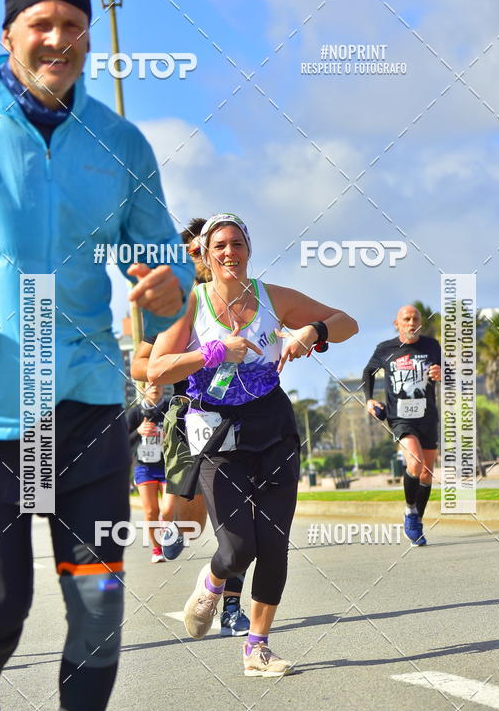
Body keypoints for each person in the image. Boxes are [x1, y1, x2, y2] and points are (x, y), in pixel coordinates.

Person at [0, 0, 193, 711]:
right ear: (9, 33)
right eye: (42, 24)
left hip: (88, 405)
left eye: (74, 26)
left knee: (96, 606)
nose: (60, 40)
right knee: (0, 609)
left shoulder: (121, 143)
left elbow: (167, 263)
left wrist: (170, 285)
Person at [148, 213, 358, 676]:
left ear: (248, 248)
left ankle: (257, 648)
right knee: (238, 547)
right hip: (217, 434)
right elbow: (155, 369)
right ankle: (212, 580)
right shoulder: (192, 304)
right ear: (204, 254)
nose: (229, 252)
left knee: (275, 542)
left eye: (237, 243)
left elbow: (348, 322)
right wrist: (213, 352)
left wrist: (312, 332)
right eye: (219, 245)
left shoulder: (271, 297)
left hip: (273, 427)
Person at [131, 219, 250, 635]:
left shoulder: (247, 295)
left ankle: (232, 605)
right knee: (191, 524)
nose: (204, 258)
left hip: (240, 414)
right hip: (186, 415)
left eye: (209, 249)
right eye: (195, 252)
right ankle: (171, 521)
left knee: (239, 518)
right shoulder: (172, 304)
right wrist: (200, 356)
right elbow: (141, 366)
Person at [363, 305, 441, 546]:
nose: (411, 322)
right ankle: (409, 510)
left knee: (427, 474)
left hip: (427, 416)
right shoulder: (385, 349)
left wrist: (441, 372)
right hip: (400, 416)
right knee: (415, 461)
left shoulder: (431, 346)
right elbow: (368, 372)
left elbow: (444, 372)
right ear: (397, 323)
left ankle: (416, 519)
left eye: (415, 318)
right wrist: (369, 399)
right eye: (406, 319)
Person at [126, 382, 173, 563]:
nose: (155, 387)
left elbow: (184, 430)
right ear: (142, 388)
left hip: (168, 466)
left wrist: (171, 435)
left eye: (159, 384)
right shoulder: (135, 413)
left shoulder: (170, 407)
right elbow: (122, 442)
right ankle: (156, 549)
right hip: (144, 467)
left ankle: (166, 532)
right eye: (150, 384)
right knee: (151, 511)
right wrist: (138, 431)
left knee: (167, 510)